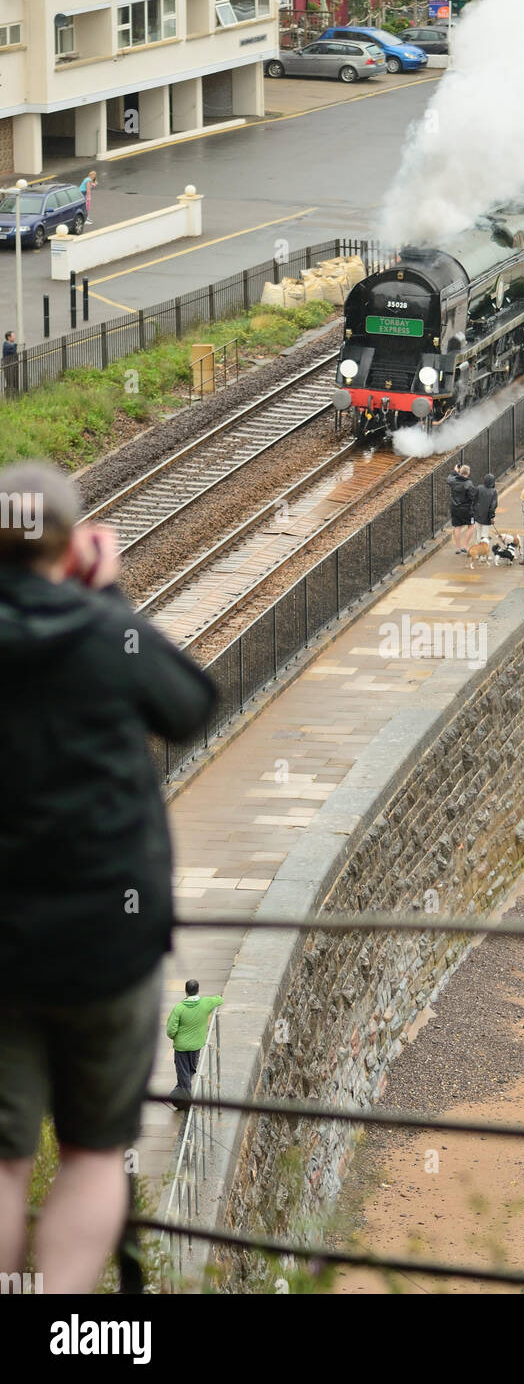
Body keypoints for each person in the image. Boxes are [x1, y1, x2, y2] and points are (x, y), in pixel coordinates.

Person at [0, 462, 215, 1294]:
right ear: (71, 545)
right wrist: (110, 596)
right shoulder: (100, 630)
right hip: (104, 941)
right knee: (93, 1152)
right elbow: (192, 704)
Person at [166, 980, 224, 1108]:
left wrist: (175, 1037)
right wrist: (219, 996)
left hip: (181, 1047)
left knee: (184, 1073)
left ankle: (181, 1099)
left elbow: (170, 1030)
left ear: (186, 991)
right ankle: (180, 1098)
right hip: (196, 1046)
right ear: (198, 990)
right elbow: (219, 1000)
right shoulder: (205, 1003)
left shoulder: (179, 1008)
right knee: (191, 1071)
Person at [447, 463, 476, 553]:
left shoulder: (453, 481)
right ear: (468, 473)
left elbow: (449, 478)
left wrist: (455, 471)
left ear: (460, 472)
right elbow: (473, 497)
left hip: (455, 508)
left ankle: (458, 547)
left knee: (457, 527)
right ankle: (466, 545)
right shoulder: (468, 483)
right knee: (471, 526)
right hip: (467, 509)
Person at [473, 472, 498, 544]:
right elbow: (493, 506)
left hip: (478, 515)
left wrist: (474, 511)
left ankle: (477, 550)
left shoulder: (479, 488)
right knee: (484, 536)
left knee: (478, 534)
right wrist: (492, 517)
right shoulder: (493, 492)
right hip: (487, 518)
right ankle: (482, 552)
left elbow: (474, 501)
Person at [2, 330, 17, 394]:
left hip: (11, 365)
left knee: (13, 380)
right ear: (8, 337)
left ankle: (12, 393)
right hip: (8, 366)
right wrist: (15, 345)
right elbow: (13, 350)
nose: (14, 337)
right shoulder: (6, 345)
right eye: (13, 336)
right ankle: (9, 394)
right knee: (10, 381)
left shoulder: (9, 344)